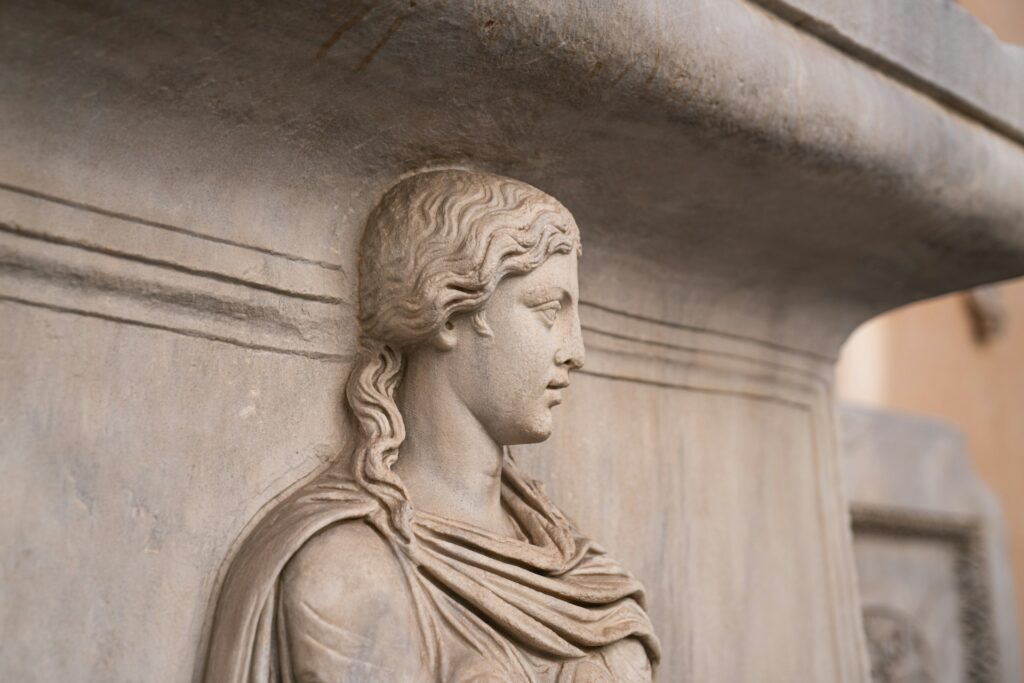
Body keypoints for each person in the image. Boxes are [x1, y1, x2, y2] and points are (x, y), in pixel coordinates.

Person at [203, 169, 660, 682]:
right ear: (447, 314)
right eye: (549, 310)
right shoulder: (349, 569)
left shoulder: (583, 578)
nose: (575, 352)